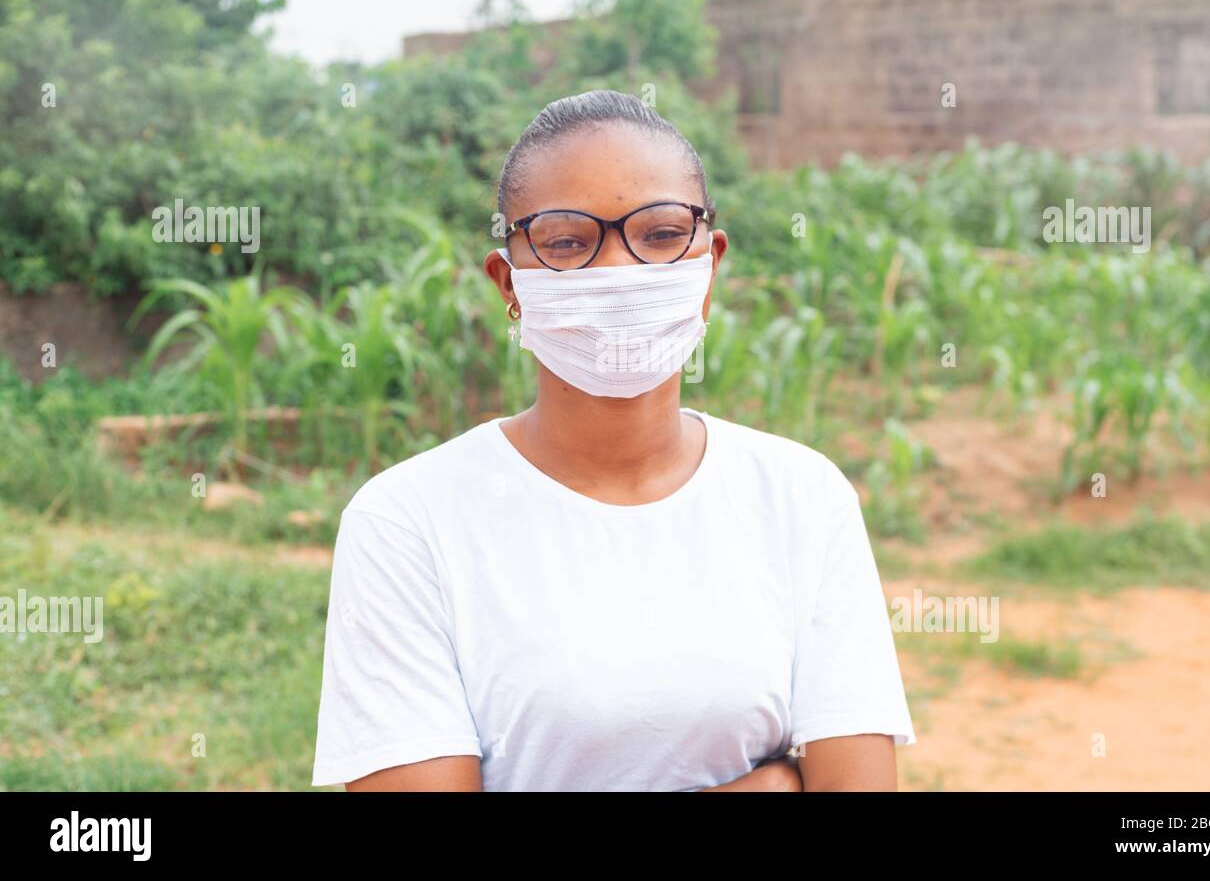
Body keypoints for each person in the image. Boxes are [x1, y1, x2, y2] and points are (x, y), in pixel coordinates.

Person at [311, 89, 915, 791]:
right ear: (509, 283)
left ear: (709, 267)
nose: (619, 272)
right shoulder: (408, 521)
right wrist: (775, 786)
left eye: (659, 234)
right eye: (567, 242)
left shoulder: (802, 497)